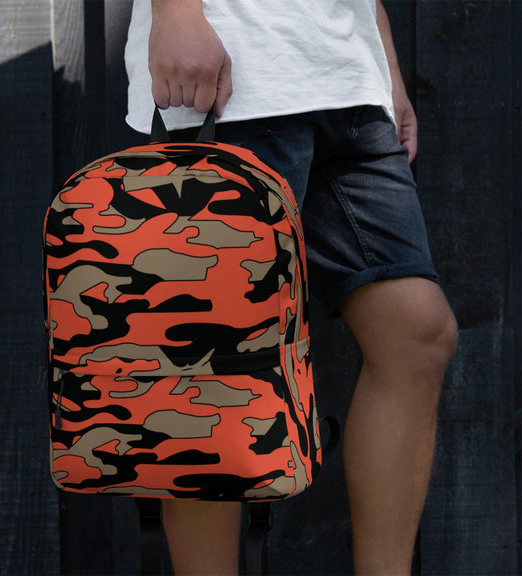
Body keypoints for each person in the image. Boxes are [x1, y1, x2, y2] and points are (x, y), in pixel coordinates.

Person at [124, 1, 459, 574]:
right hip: (233, 75)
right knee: (207, 373)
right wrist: (174, 11)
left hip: (346, 78)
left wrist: (385, 60)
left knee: (415, 334)